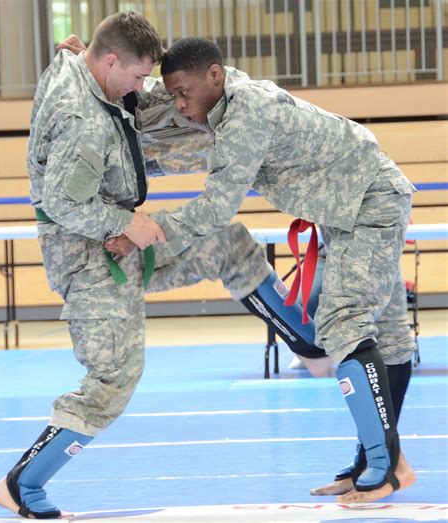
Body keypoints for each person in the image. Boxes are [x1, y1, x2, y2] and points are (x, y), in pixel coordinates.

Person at [0, 14, 332, 519]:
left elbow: (72, 58)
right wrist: (130, 223)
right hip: (89, 256)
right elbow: (63, 203)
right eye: (133, 76)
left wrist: (71, 54)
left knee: (227, 243)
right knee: (113, 380)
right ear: (108, 62)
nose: (139, 87)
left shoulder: (83, 66)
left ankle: (312, 349)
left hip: (117, 226)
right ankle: (22, 484)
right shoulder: (80, 118)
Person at [142, 37, 417, 503]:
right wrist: (90, 61)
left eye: (183, 93)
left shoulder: (247, 112)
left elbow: (216, 208)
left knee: (343, 324)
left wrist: (143, 229)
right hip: (350, 207)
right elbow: (151, 88)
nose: (180, 105)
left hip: (370, 203)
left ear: (215, 75)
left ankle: (385, 466)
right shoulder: (222, 103)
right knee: (388, 336)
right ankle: (376, 461)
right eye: (173, 96)